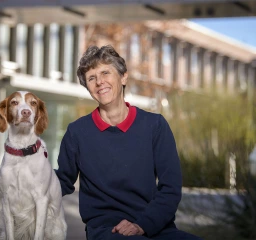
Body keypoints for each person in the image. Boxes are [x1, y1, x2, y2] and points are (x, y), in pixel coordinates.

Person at [55, 45, 202, 240]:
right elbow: (62, 181)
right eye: (91, 78)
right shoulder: (77, 133)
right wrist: (28, 176)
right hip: (108, 231)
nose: (99, 82)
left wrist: (142, 225)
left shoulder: (154, 126)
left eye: (105, 72)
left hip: (154, 227)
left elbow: (170, 188)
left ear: (123, 77)